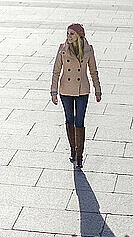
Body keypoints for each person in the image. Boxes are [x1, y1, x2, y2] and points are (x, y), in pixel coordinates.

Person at [51, 23, 101, 168]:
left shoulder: (88, 50)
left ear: (80, 35)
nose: (69, 36)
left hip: (82, 91)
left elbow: (93, 71)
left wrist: (97, 89)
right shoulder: (62, 49)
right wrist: (53, 91)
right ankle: (73, 150)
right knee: (69, 120)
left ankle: (80, 156)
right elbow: (56, 71)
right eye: (67, 33)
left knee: (79, 121)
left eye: (72, 33)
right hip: (65, 91)